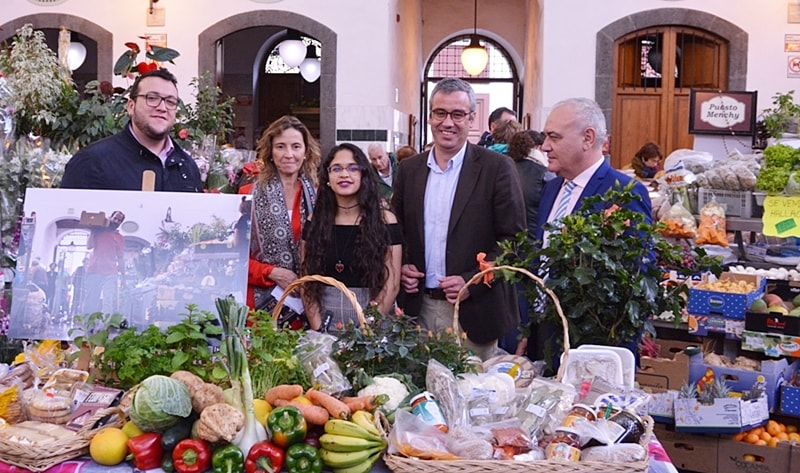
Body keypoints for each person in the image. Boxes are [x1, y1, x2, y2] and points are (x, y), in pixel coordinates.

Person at [391, 77, 526, 361]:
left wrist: (472, 281)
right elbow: (397, 233)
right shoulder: (409, 170)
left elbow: (514, 243)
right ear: (430, 116)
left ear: (472, 118)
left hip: (474, 314)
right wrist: (401, 266)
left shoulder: (497, 168)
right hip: (419, 311)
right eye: (440, 113)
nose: (447, 122)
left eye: (458, 114)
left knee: (474, 397)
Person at [523, 97, 652, 362]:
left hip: (594, 347)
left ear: (588, 138)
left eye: (554, 137)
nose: (545, 146)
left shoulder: (623, 193)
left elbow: (638, 277)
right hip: (545, 337)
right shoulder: (551, 188)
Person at [301, 143, 402, 332]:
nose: (344, 174)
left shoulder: (385, 220)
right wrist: (319, 332)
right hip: (325, 320)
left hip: (374, 321)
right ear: (328, 178)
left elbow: (392, 284)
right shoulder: (315, 221)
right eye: (336, 169)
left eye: (353, 168)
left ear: (363, 175)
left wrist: (366, 332)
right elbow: (307, 282)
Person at [61, 69, 203, 192]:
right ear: (130, 106)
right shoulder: (92, 162)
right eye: (152, 98)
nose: (162, 107)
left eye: (171, 101)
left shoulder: (187, 166)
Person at [247, 115, 321, 326]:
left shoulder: (320, 197)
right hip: (261, 308)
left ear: (306, 152)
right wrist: (272, 272)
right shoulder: (248, 195)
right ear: (270, 152)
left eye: (296, 146)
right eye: (280, 146)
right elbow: (236, 257)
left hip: (310, 307)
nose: (289, 154)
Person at [498, 130, 550, 355]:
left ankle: (509, 351)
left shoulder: (503, 171)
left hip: (508, 249)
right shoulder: (543, 174)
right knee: (531, 306)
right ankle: (526, 351)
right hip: (533, 249)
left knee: (512, 303)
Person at [83, 210, 126, 315]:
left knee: (108, 302)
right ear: (110, 217)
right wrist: (93, 231)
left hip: (111, 273)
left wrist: (123, 276)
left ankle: (104, 327)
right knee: (91, 301)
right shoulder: (98, 231)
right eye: (115, 218)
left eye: (119, 221)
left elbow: (120, 258)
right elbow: (89, 246)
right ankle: (88, 327)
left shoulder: (119, 238)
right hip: (94, 270)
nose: (116, 221)